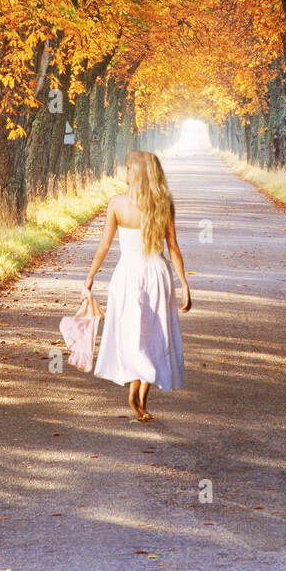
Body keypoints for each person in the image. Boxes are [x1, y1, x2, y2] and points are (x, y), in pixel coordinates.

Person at [83, 150, 191, 422]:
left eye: (129, 168)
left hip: (127, 274)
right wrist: (184, 284)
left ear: (138, 174)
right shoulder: (163, 203)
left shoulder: (117, 204)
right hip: (157, 273)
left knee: (132, 330)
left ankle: (136, 380)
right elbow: (174, 248)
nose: (126, 172)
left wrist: (91, 275)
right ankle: (142, 386)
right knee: (155, 332)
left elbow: (104, 245)